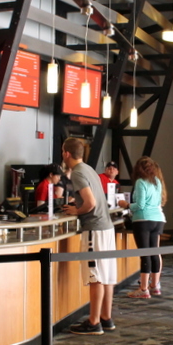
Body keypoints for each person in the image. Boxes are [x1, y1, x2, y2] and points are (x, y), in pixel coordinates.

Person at [61, 137, 117, 335]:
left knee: (96, 276)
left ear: (67, 153)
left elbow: (90, 202)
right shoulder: (89, 169)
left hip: (94, 228)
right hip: (107, 228)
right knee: (107, 275)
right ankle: (106, 317)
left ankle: (94, 322)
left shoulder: (77, 172)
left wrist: (76, 210)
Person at [118, 156, 167, 298]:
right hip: (158, 219)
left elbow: (140, 205)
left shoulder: (140, 182)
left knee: (145, 254)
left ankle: (143, 289)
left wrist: (126, 205)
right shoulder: (157, 181)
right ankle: (155, 286)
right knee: (155, 253)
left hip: (143, 220)